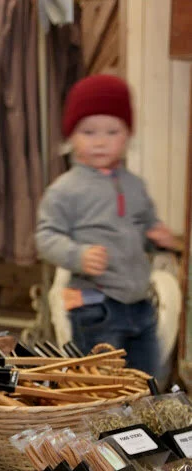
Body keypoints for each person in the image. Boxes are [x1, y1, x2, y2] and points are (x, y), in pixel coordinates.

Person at [35, 74, 176, 377]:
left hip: (140, 303)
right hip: (94, 307)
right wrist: (77, 254)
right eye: (88, 131)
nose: (100, 141)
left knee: (147, 380)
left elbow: (144, 228)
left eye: (112, 131)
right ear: (71, 135)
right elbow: (46, 236)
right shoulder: (65, 189)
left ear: (128, 136)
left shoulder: (135, 185)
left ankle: (142, 409)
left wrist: (157, 237)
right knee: (101, 383)